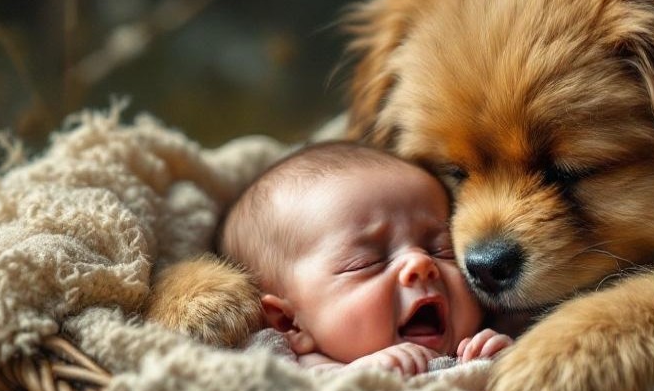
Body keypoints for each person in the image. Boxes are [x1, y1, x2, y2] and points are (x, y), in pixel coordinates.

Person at [220, 141, 514, 376]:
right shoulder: (291, 368)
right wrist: (360, 375)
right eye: (367, 262)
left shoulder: (477, 344)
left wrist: (500, 357)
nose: (420, 263)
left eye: (442, 249)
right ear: (289, 323)